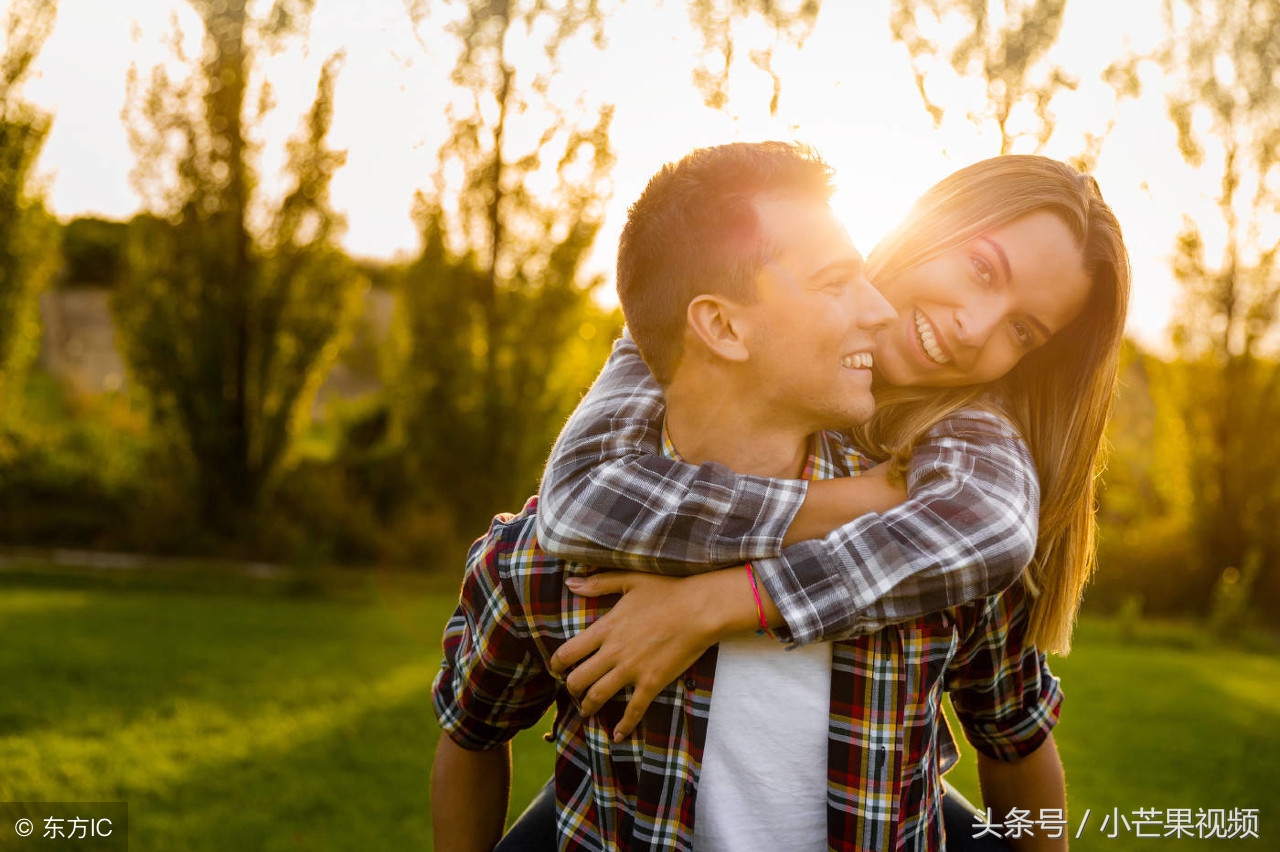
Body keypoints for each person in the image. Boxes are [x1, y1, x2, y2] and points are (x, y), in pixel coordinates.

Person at [432, 141, 1100, 851]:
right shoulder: (553, 555)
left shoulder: (947, 519)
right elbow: (581, 502)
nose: (972, 327)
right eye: (979, 267)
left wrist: (724, 600)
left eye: (1023, 331)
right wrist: (851, 502)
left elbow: (1013, 722)